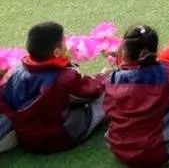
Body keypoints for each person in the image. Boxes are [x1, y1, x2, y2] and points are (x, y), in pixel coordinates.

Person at [103, 25, 169, 166]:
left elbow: (108, 109)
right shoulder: (168, 74)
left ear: (124, 50)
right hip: (159, 152)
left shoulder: (112, 78)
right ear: (154, 49)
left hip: (120, 150)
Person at [0, 21, 105, 155]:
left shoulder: (15, 71)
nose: (66, 45)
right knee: (106, 91)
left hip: (26, 139)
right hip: (58, 138)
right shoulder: (64, 78)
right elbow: (91, 91)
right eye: (64, 41)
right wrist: (102, 77)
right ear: (57, 52)